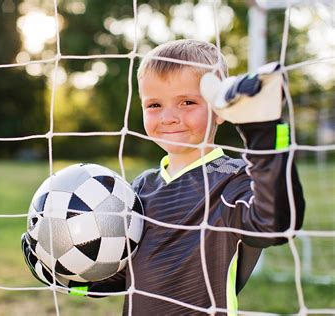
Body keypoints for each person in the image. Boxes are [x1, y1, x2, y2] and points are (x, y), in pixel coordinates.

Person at [21, 39, 305, 315]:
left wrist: (264, 132)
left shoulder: (233, 179)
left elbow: (275, 223)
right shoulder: (139, 188)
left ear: (219, 111)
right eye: (154, 105)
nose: (168, 117)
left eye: (187, 102)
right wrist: (67, 278)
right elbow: (124, 272)